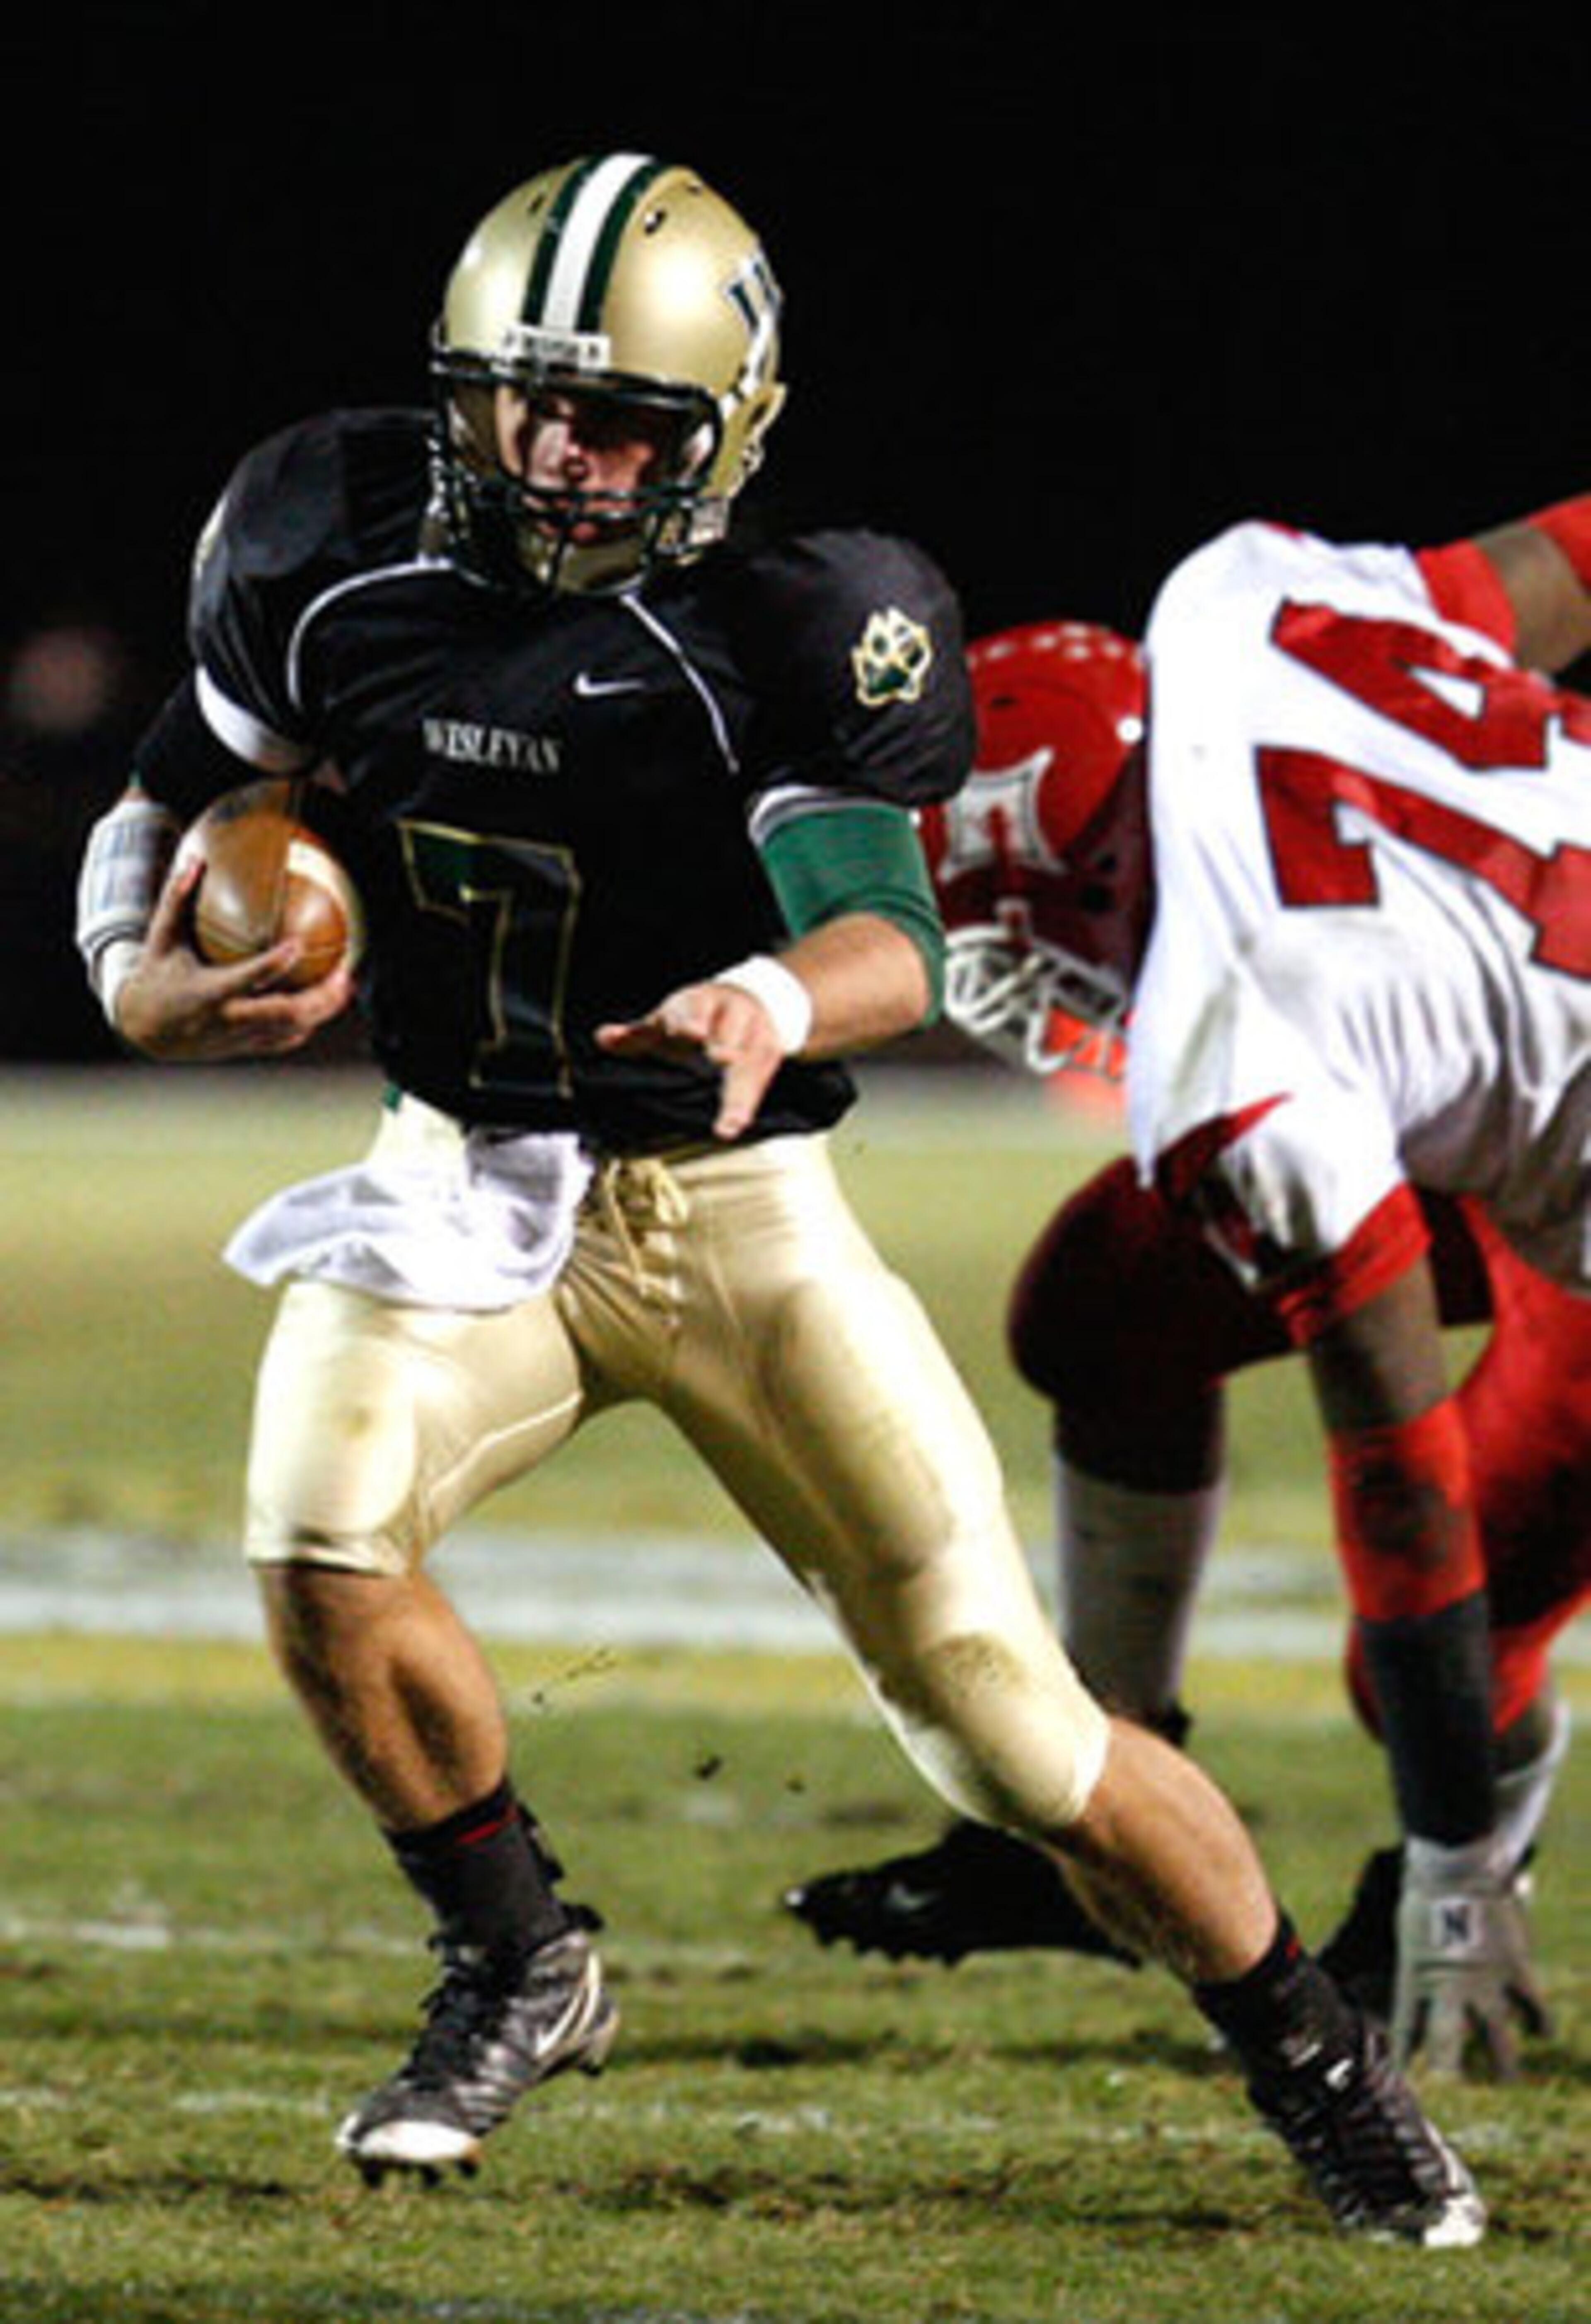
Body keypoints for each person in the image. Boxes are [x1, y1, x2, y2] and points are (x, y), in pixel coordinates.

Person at [74, 154, 1480, 2245]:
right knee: (314, 1543)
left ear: (719, 435)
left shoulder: (800, 617)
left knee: (1007, 1729)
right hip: (465, 1179)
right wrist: (136, 966)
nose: (565, 454)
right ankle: (523, 1962)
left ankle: (1323, 2072)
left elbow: (887, 940)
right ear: (462, 390)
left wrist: (764, 989)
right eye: (528, 401)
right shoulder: (324, 533)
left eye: (622, 417)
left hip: (738, 1213)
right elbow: (175, 795)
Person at [786, 538, 1591, 2076]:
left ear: (1080, 865)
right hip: (1491, 1072)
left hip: (1555, 1153)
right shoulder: (1233, 606)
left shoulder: (1237, 1048)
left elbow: (1401, 1478)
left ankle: (1489, 1863)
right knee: (1107, 1301)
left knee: (1439, 1652)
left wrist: (1452, 1861)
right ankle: (1105, 1778)